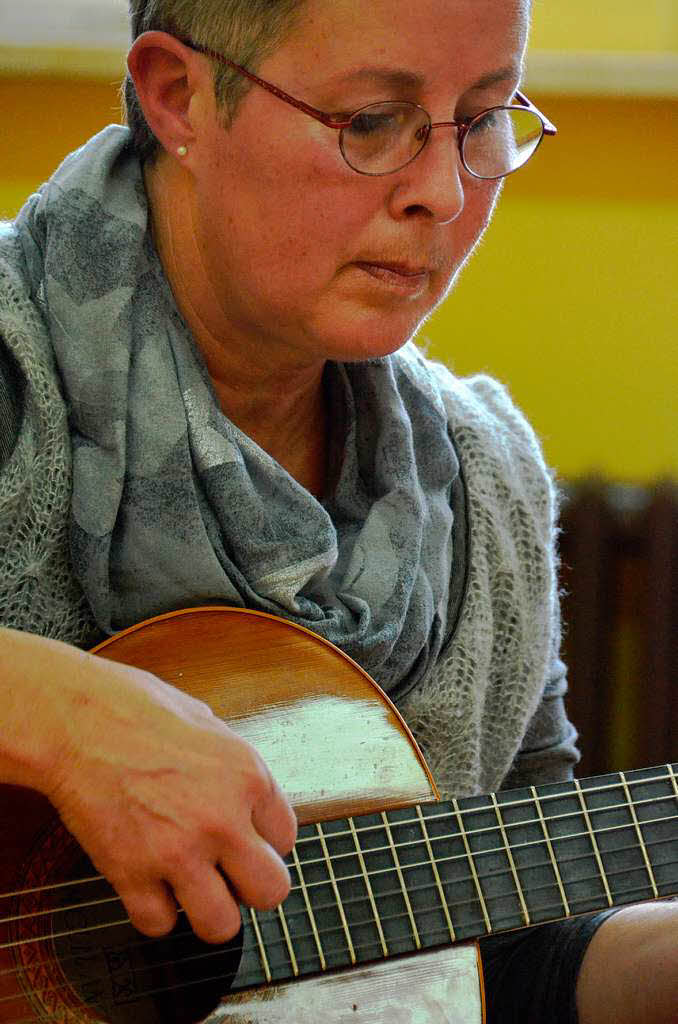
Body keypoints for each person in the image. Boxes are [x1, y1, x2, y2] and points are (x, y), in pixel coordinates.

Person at [0, 1, 675, 1021]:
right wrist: (53, 713)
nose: (445, 195)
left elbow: (500, 946)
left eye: (486, 118)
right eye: (371, 122)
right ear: (177, 93)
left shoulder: (485, 482)